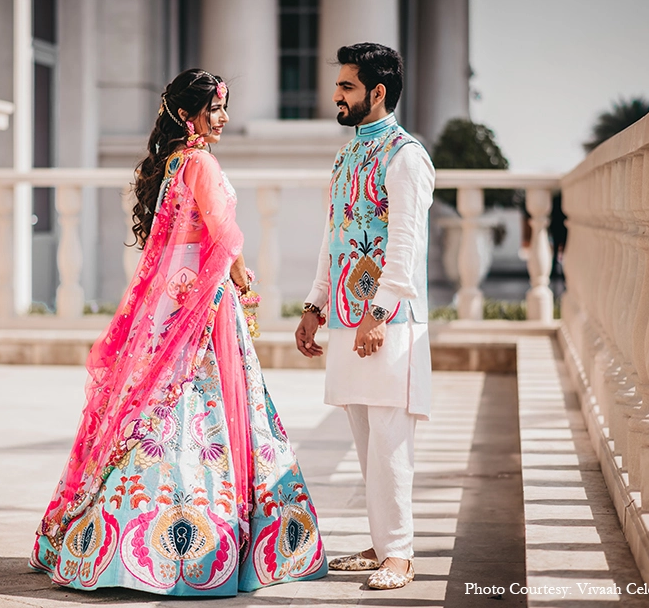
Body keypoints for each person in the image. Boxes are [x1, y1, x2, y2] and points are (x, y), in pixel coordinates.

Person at [31, 69, 327, 596]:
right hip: (204, 303)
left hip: (174, 299)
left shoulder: (171, 164)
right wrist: (242, 280)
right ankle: (191, 548)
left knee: (155, 405)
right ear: (189, 115)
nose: (225, 118)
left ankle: (112, 537)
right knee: (200, 406)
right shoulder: (201, 162)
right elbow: (224, 234)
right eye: (216, 109)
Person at [295, 43, 435, 591]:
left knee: (391, 439)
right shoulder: (348, 154)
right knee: (366, 440)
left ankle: (400, 555)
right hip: (350, 321)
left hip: (390, 323)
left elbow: (405, 242)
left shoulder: (405, 156)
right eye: (339, 85)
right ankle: (381, 546)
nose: (336, 95)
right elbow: (335, 238)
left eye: (347, 86)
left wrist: (381, 311)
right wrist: (314, 307)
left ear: (378, 92)